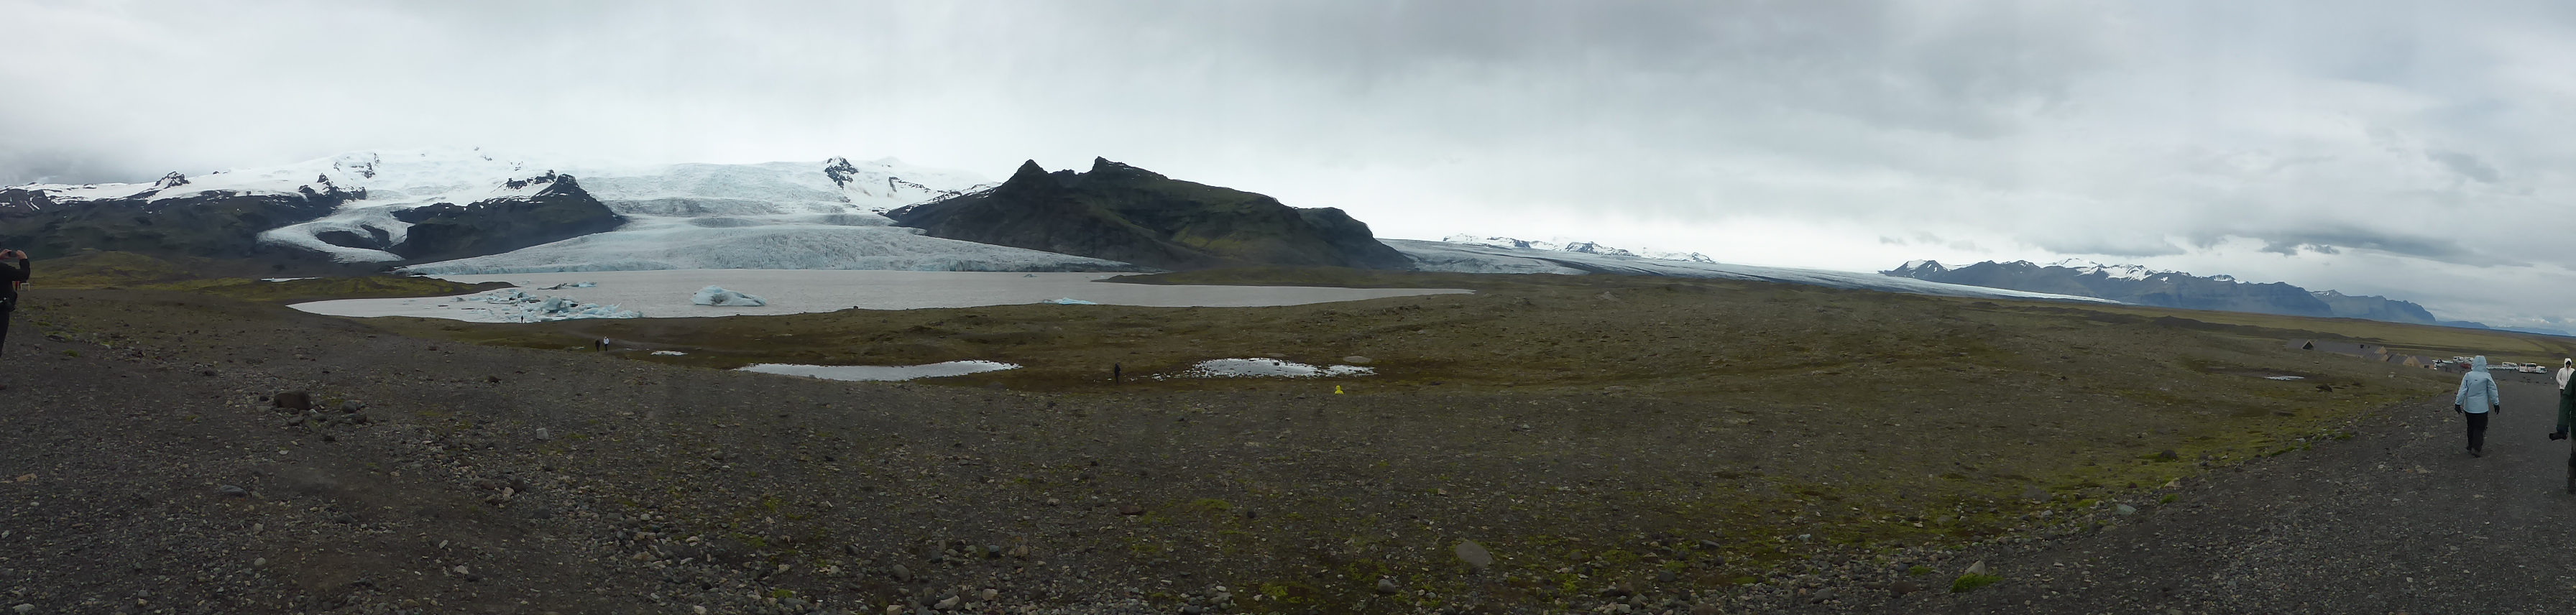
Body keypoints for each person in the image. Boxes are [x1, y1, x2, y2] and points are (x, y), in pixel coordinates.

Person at [2456, 356, 2502, 457]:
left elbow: (2462, 390)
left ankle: (2470, 445)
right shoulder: (2487, 376)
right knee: (2480, 428)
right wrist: (2496, 404)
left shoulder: (2468, 376)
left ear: (2474, 364)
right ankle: (2476, 448)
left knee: (2471, 426)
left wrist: (2458, 403)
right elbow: (2492, 391)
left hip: (2469, 408)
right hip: (2481, 409)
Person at [2554, 358, 2574, 441]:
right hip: (2563, 388)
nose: (2568, 365)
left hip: (2571, 389)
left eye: (2569, 364)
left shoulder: (2573, 371)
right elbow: (2558, 378)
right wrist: (2561, 384)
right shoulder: (2562, 370)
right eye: (2567, 364)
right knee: (2563, 400)